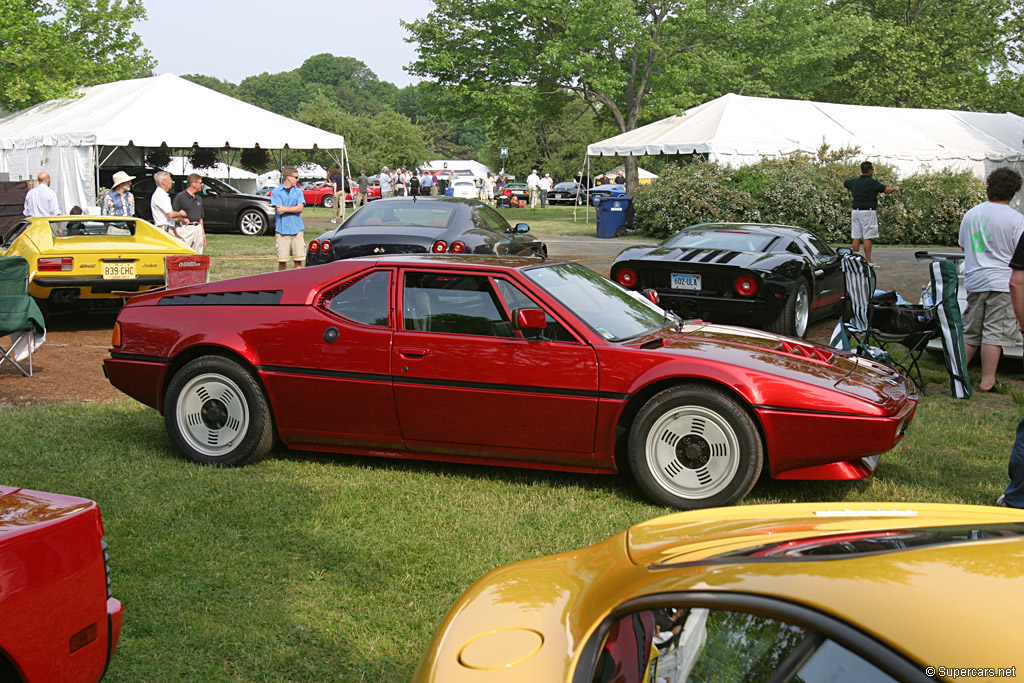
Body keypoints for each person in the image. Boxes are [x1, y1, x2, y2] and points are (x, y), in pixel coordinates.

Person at [960, 168, 1024, 393]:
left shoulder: (972, 214)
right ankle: (987, 381)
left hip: (976, 278)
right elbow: (1020, 253)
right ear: (1014, 191)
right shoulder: (1017, 220)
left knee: (971, 331)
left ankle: (958, 376)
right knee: (993, 332)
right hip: (1003, 281)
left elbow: (965, 245)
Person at [1000, 170, 1024, 508]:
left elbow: (1017, 280)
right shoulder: (1015, 220)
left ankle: (1018, 496)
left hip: (982, 278)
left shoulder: (974, 215)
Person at [844, 161, 900, 267]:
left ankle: (854, 261)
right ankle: (868, 262)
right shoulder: (872, 182)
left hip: (855, 211)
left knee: (856, 236)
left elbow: (845, 183)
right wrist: (895, 189)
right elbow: (886, 190)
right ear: (870, 170)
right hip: (867, 211)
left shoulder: (854, 182)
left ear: (861, 170)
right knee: (867, 236)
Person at [270, 166, 306, 270]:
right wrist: (292, 208)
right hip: (282, 231)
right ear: (289, 177)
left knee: (298, 261)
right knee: (282, 261)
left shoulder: (298, 192)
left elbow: (300, 208)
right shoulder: (276, 192)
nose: (298, 179)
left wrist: (285, 209)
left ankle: (298, 282)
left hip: (297, 230)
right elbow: (279, 210)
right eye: (296, 177)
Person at [171, 173, 207, 253]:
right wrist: (181, 219)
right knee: (184, 253)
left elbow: (200, 218)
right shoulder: (180, 197)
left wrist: (203, 234)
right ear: (193, 184)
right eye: (200, 183)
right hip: (186, 229)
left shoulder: (198, 198)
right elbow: (173, 216)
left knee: (198, 255)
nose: (202, 185)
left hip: (197, 228)